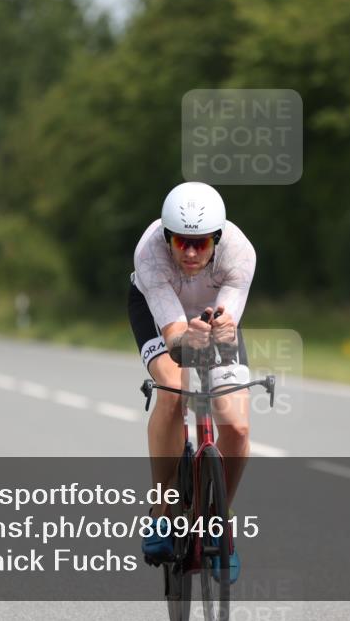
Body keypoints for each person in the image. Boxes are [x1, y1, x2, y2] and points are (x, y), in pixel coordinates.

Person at [129, 182, 256, 583]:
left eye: (200, 243)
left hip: (213, 318)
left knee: (236, 426)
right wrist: (187, 341)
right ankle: (161, 512)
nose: (189, 253)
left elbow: (225, 326)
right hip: (159, 317)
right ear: (167, 236)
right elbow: (174, 338)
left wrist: (220, 333)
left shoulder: (240, 252)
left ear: (216, 239)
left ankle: (218, 522)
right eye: (181, 242)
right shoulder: (149, 254)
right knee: (173, 391)